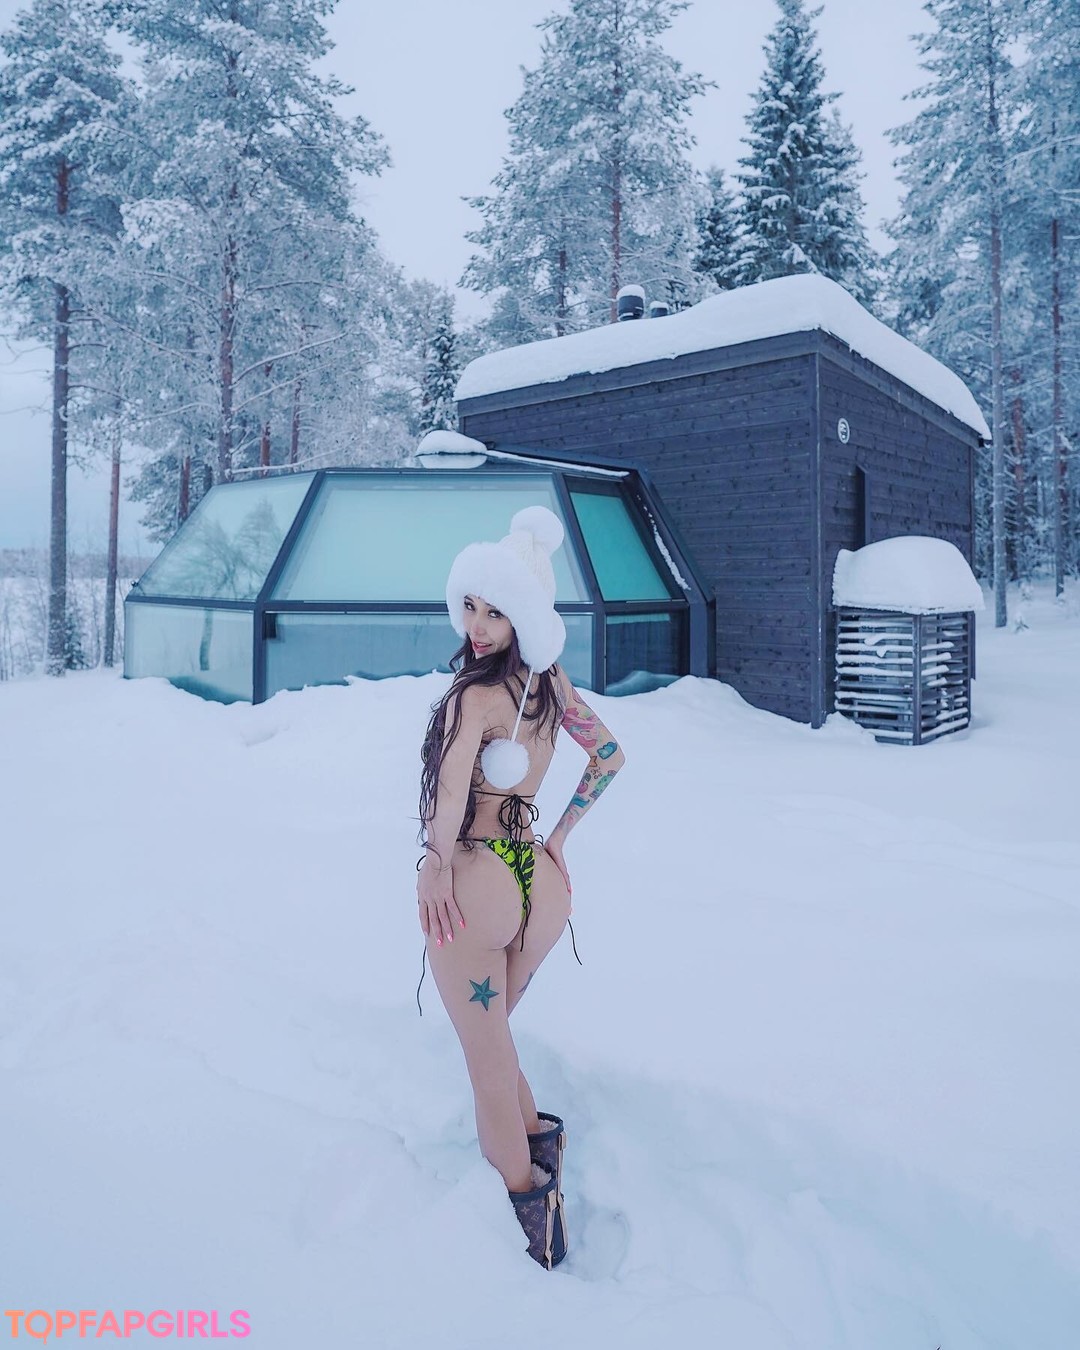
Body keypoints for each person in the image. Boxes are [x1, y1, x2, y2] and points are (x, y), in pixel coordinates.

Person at [416, 504, 626, 1269]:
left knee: (485, 1061)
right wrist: (559, 835)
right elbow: (608, 755)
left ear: (525, 618)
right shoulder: (551, 686)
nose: (477, 625)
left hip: (478, 883)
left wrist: (434, 865)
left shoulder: (471, 698)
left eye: (496, 612)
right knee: (494, 1037)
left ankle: (532, 1226)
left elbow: (448, 799)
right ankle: (541, 1142)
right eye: (471, 604)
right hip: (539, 884)